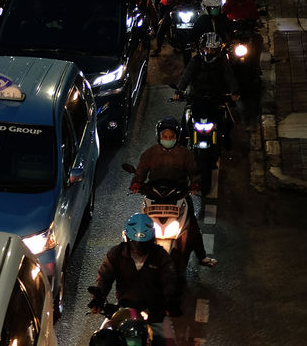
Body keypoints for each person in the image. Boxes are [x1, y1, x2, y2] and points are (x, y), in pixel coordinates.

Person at [130, 117, 216, 267]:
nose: (168, 139)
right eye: (165, 136)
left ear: (177, 137)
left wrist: (195, 184)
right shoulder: (150, 153)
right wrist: (136, 183)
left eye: (171, 137)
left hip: (179, 194)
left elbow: (194, 173)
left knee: (193, 226)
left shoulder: (185, 154)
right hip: (153, 194)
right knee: (140, 225)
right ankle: (136, 255)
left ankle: (201, 256)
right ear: (159, 136)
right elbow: (140, 172)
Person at [88, 214, 180, 346]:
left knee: (169, 342)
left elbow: (169, 279)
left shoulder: (161, 256)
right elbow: (104, 276)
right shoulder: (116, 253)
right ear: (128, 239)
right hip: (123, 310)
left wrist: (171, 299)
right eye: (134, 242)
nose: (138, 247)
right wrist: (99, 295)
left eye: (143, 243)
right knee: (100, 340)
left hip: (154, 314)